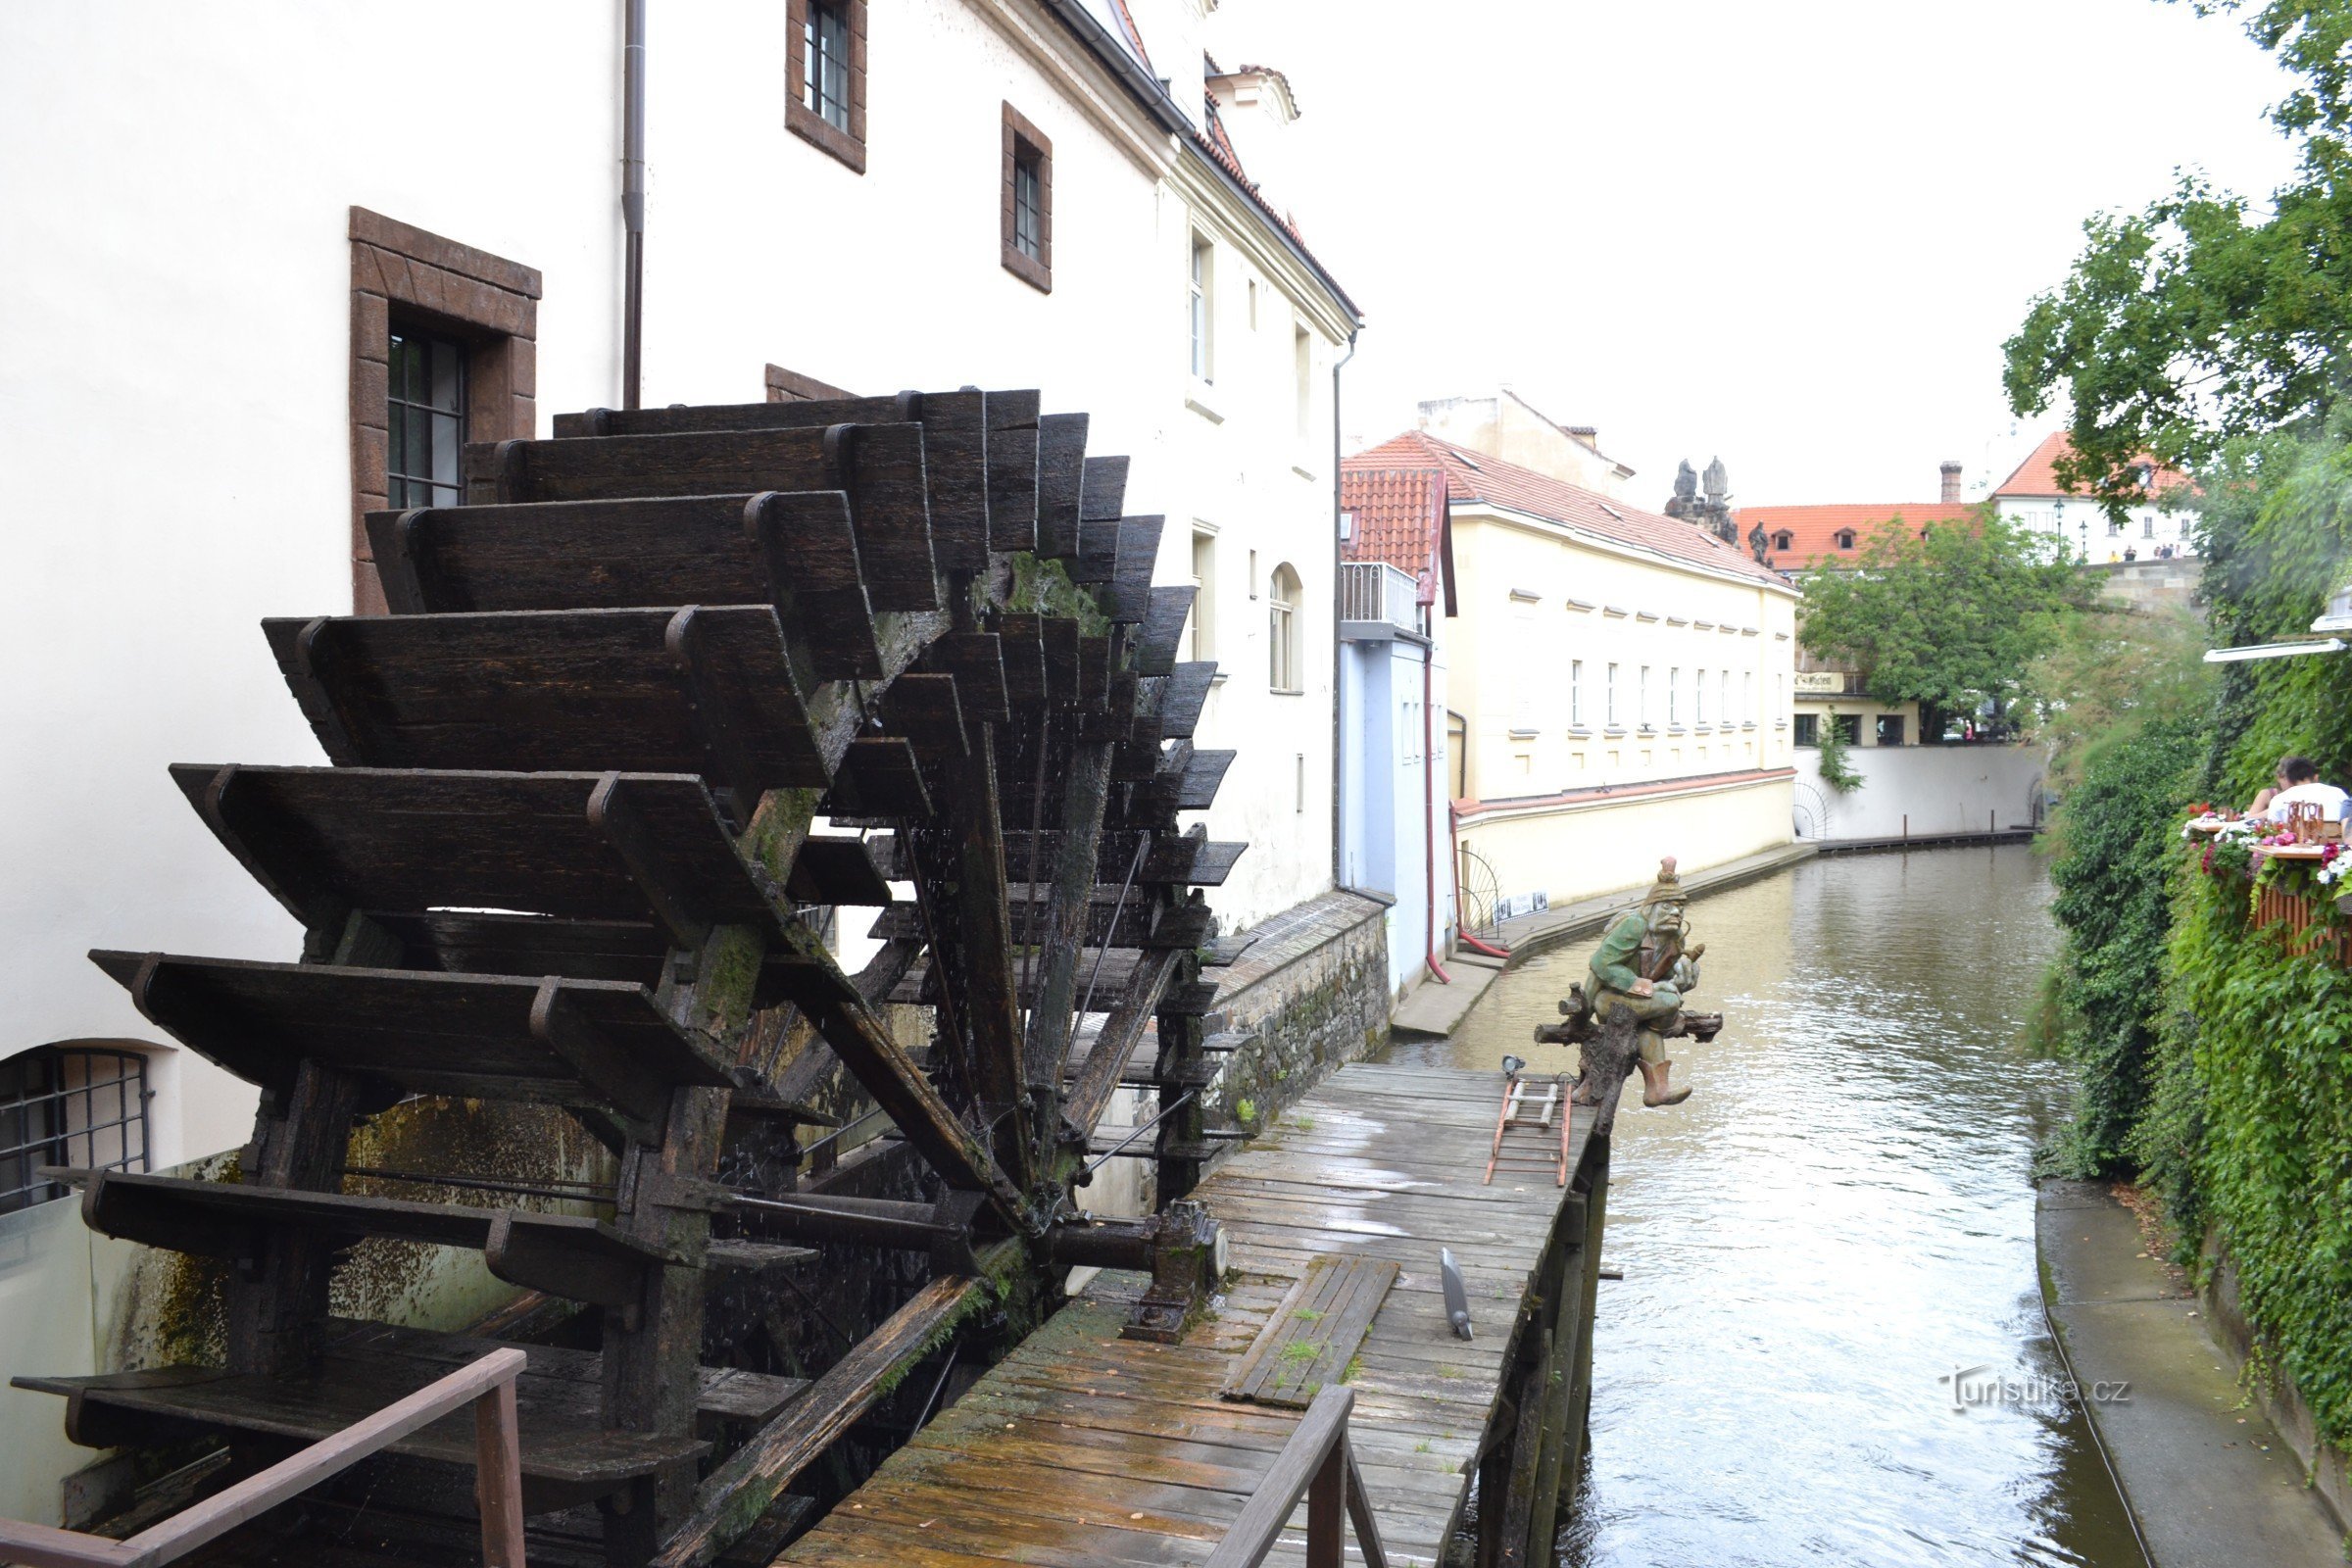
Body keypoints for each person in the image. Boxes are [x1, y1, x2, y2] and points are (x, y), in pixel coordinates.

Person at [1582, 858, 1696, 1106]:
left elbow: (1665, 978)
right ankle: (1594, 1086)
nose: (1676, 913)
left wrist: (1684, 978)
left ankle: (1658, 1090)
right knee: (1668, 1001)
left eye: (1680, 908)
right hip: (1610, 999)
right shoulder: (1635, 925)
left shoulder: (1674, 938)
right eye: (1668, 906)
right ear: (1653, 907)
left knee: (1649, 1028)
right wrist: (1649, 987)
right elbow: (1601, 963)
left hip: (1640, 1006)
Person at [2248, 755, 2350, 821]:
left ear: (2289, 779)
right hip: (2336, 850)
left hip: (2296, 852)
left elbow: (2274, 831)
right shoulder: (2338, 793)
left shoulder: (2280, 799)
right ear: (2314, 776)